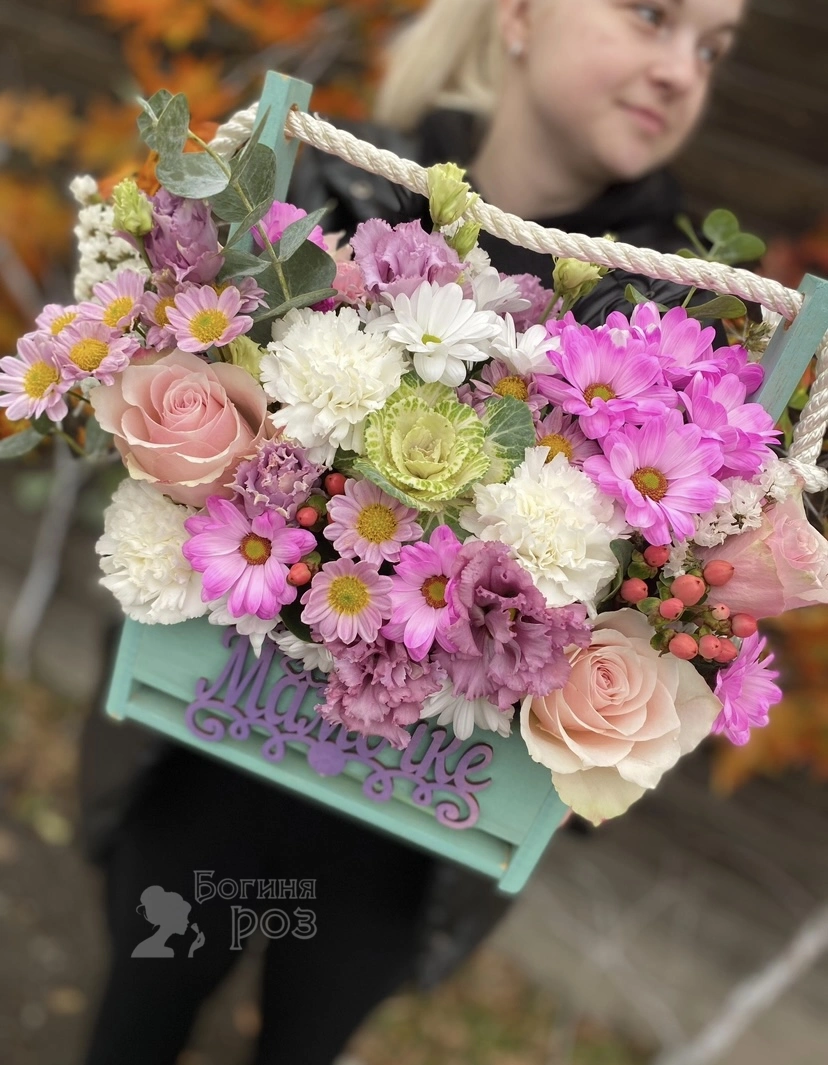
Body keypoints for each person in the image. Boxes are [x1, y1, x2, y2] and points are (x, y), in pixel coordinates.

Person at [79, 1, 748, 1062]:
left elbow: (683, 589)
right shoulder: (338, 190)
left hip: (421, 816)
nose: (681, 71)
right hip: (219, 736)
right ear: (519, 16)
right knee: (141, 1008)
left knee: (308, 1037)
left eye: (713, 47)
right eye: (652, 15)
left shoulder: (691, 319)